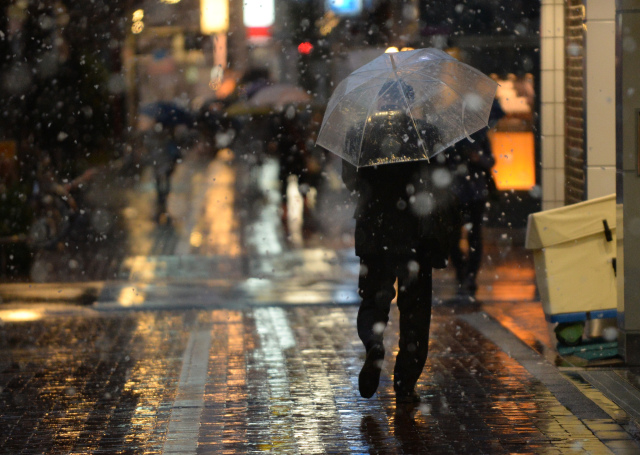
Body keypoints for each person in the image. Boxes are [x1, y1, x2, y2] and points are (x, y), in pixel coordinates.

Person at [342, 80, 460, 403]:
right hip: (416, 234)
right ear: (412, 101)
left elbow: (350, 181)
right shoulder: (425, 133)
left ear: (380, 101)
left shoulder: (360, 132)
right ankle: (406, 383)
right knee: (416, 311)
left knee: (373, 302)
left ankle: (374, 344)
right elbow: (440, 182)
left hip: (374, 232)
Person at [448, 100, 504, 300]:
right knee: (452, 238)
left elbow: (490, 160)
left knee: (474, 236)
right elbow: (443, 163)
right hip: (455, 194)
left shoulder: (480, 136)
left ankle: (470, 275)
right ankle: (461, 270)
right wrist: (457, 158)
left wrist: (477, 158)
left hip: (475, 194)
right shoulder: (451, 138)